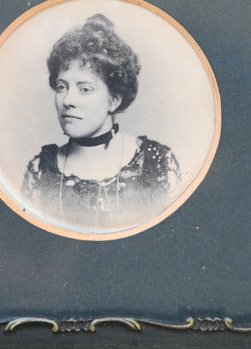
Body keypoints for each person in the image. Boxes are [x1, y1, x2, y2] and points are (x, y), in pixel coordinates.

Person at [22, 13, 180, 232]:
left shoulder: (156, 162)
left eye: (85, 89)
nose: (67, 100)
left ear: (114, 100)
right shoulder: (41, 170)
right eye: (61, 87)